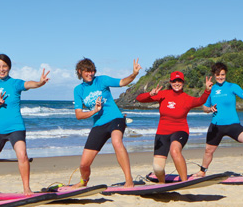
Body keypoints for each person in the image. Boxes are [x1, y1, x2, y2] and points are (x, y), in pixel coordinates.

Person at [0, 54, 49, 195]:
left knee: (22, 156)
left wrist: (40, 83)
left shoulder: (15, 83)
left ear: (9, 67)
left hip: (16, 128)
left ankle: (26, 188)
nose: (1, 69)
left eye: (4, 66)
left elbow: (28, 84)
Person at [73, 58, 141, 187]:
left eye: (92, 71)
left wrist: (134, 74)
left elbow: (122, 82)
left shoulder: (102, 80)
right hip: (99, 124)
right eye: (87, 71)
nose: (90, 74)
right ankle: (83, 182)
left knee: (117, 142)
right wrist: (94, 111)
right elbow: (78, 115)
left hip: (115, 118)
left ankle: (129, 180)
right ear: (80, 72)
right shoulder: (78, 90)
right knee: (84, 164)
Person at [135, 71, 212, 183]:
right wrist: (150, 94)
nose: (177, 83)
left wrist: (207, 90)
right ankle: (162, 183)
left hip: (180, 131)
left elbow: (200, 101)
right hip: (162, 133)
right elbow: (139, 99)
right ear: (170, 82)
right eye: (174, 81)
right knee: (158, 168)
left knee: (174, 150)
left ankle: (184, 181)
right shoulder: (163, 94)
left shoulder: (187, 98)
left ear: (183, 83)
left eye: (179, 81)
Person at [195, 62, 243, 178]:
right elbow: (204, 108)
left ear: (226, 74)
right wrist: (210, 109)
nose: (220, 77)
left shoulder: (232, 86)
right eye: (218, 75)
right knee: (208, 151)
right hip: (216, 125)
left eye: (222, 74)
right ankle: (202, 171)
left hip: (233, 124)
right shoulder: (211, 89)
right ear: (214, 75)